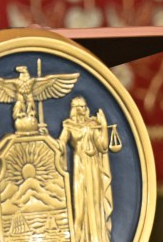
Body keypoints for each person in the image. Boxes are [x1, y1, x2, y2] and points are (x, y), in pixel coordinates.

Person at [58, 96, 114, 242]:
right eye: (80, 107)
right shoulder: (69, 126)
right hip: (79, 167)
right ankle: (80, 238)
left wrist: (103, 125)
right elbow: (60, 144)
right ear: (75, 109)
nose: (83, 109)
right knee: (80, 204)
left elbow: (102, 146)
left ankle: (97, 238)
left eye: (84, 106)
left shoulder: (93, 124)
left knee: (95, 202)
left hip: (94, 166)